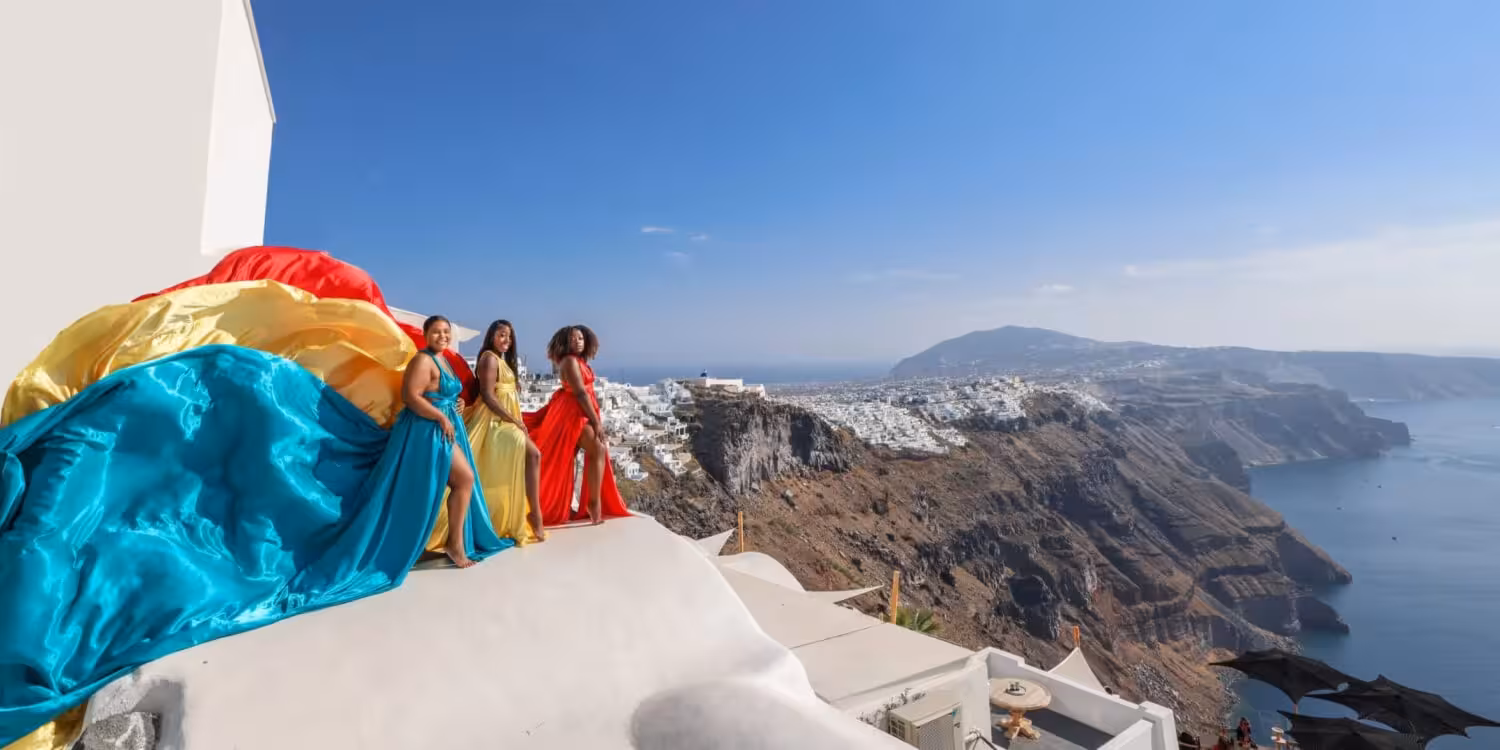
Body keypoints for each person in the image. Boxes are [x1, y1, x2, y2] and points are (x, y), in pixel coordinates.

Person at [426, 320, 545, 549]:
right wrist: (514, 420)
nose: (506, 340)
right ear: (491, 336)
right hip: (494, 422)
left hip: (503, 420)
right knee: (533, 455)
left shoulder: (501, 361)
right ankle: (535, 516)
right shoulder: (489, 358)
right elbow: (488, 396)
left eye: (509, 336)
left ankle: (526, 514)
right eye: (501, 335)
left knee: (531, 456)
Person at [399, 316, 488, 567]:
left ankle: (451, 542)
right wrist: (440, 416)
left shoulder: (443, 359)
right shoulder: (422, 360)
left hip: (447, 426)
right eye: (436, 332)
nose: (442, 336)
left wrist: (457, 403)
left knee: (456, 482)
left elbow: (442, 391)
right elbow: (410, 396)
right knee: (464, 479)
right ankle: (454, 544)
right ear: (426, 334)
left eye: (446, 332)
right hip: (429, 429)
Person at [523, 324, 630, 526]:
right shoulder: (570, 361)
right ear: (564, 342)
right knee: (596, 448)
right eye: (572, 339)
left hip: (579, 411)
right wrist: (597, 422)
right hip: (571, 414)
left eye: (580, 338)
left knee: (583, 454)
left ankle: (587, 503)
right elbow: (580, 393)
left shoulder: (578, 361)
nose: (577, 342)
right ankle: (593, 503)